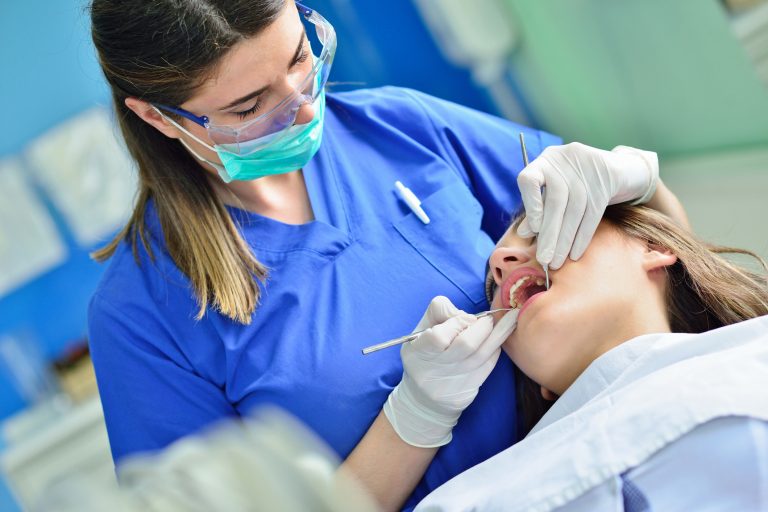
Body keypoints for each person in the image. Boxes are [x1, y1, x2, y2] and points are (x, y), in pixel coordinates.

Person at [86, 0, 687, 509]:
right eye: (249, 108)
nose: (304, 106)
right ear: (157, 117)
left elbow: (668, 258)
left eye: (301, 57)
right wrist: (412, 422)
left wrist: (638, 179)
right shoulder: (143, 313)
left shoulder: (400, 125)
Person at [416, 205, 768, 511]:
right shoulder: (460, 501)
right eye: (492, 290)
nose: (499, 261)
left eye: (540, 231)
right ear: (545, 388)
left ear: (654, 247)